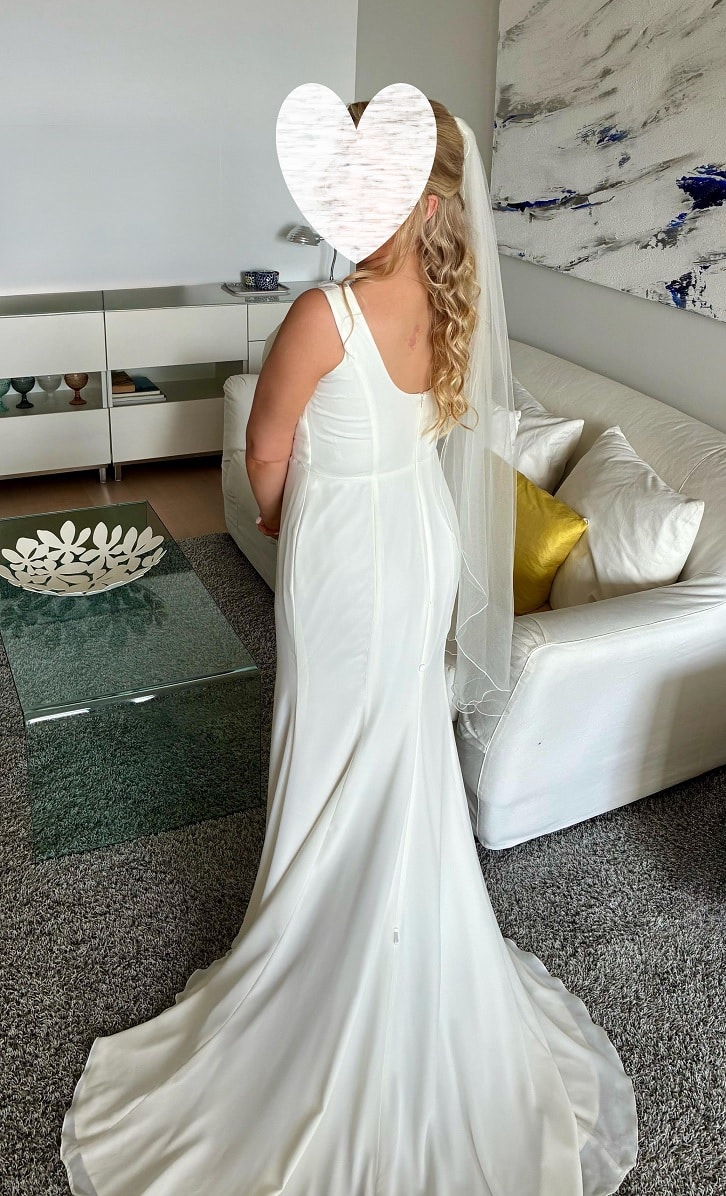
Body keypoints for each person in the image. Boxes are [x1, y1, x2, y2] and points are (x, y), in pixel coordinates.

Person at [61, 98, 638, 1195]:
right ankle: (398, 927)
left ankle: (319, 947)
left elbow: (265, 449)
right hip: (415, 541)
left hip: (348, 556)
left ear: (411, 196)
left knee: (329, 740)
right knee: (398, 741)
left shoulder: (324, 312)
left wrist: (288, 523)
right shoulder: (451, 301)